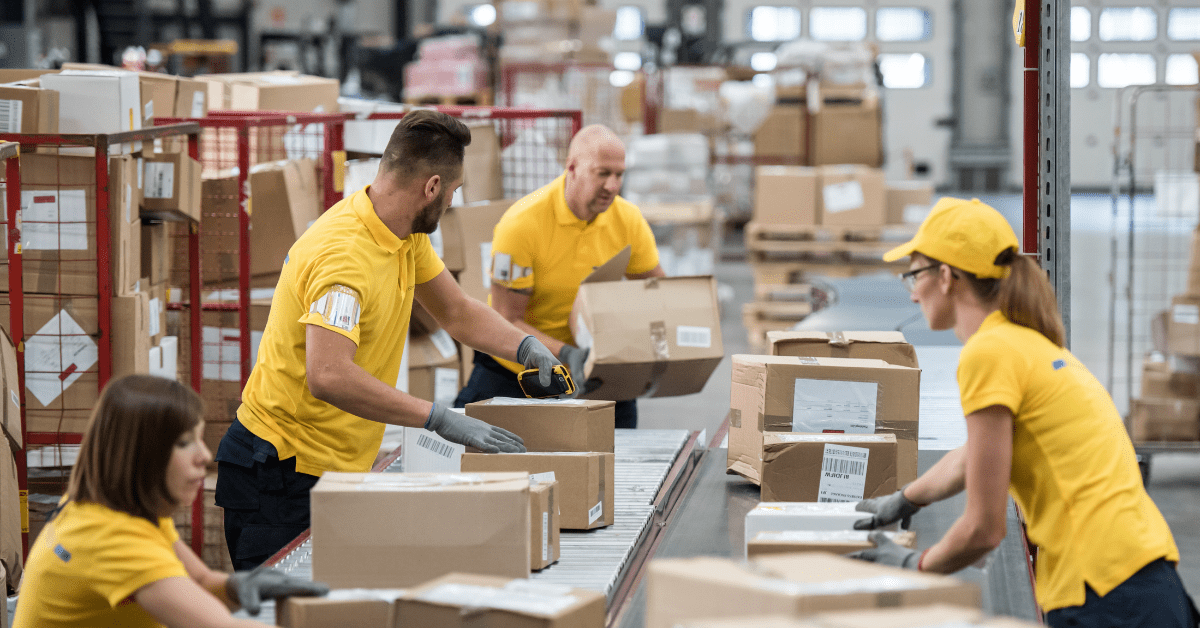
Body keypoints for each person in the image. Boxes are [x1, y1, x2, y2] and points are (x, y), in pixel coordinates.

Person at [215, 110, 563, 569]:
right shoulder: (344, 258)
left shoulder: (402, 234)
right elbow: (328, 374)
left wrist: (522, 347)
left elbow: (456, 312)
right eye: (455, 192)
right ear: (432, 187)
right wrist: (437, 418)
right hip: (281, 475)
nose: (453, 203)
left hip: (332, 469)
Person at [849, 197, 1197, 627]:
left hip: (1104, 595)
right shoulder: (1028, 344)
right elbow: (973, 454)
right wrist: (905, 498)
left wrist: (913, 567)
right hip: (1142, 579)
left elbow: (983, 529)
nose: (912, 290)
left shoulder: (988, 353)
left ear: (945, 277)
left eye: (914, 274)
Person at [13, 374, 326, 628]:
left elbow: (200, 581)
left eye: (200, 439)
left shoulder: (112, 506)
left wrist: (239, 587)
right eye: (184, 443)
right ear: (139, 456)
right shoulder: (111, 539)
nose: (204, 456)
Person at [453, 124, 665, 428]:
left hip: (593, 371)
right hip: (520, 373)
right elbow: (506, 320)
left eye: (619, 175)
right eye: (603, 173)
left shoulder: (627, 220)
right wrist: (566, 354)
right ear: (573, 168)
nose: (613, 185)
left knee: (620, 458)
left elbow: (657, 291)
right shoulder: (523, 224)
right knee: (473, 449)